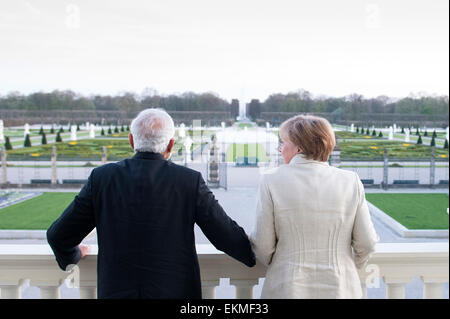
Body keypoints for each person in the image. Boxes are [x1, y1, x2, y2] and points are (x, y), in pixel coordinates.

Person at [47, 108, 255, 299]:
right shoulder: (188, 181)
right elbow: (225, 236)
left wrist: (73, 255)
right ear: (171, 145)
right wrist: (259, 251)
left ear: (131, 140)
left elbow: (58, 235)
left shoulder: (102, 178)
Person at [250, 115, 379, 299]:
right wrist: (346, 266)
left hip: (287, 288)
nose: (280, 149)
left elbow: (263, 246)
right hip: (341, 288)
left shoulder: (270, 180)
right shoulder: (351, 181)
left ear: (299, 147)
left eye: (283, 142)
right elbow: (367, 243)